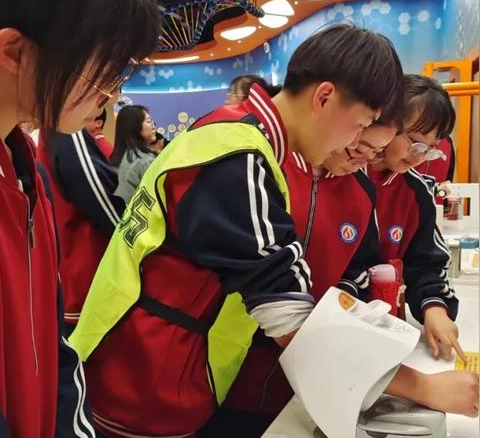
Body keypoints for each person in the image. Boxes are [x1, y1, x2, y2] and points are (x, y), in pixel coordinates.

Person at [70, 25, 478, 438]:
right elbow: (294, 323)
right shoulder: (239, 157)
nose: (357, 145)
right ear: (324, 98)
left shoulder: (234, 134)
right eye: (359, 127)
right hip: (146, 378)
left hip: (154, 365)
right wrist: (423, 386)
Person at [0, 0, 160, 435]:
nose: (109, 95)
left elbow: (55, 349)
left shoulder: (30, 179)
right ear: (13, 51)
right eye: (101, 73)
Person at [201, 120, 400, 437]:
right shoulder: (263, 169)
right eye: (359, 146)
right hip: (225, 367)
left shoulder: (362, 192)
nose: (364, 160)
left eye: (376, 152)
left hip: (306, 377)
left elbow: (359, 268)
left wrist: (337, 304)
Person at [367, 74, 465, 361]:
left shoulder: (417, 191)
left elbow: (425, 262)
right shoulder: (342, 175)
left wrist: (434, 307)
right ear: (385, 122)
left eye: (432, 149)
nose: (419, 156)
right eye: (416, 143)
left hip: (389, 328)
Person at [37, 109, 126, 329]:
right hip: (89, 270)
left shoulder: (49, 130)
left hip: (70, 271)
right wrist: (132, 240)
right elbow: (101, 197)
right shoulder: (67, 128)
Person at [110, 104, 158, 204]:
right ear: (135, 127)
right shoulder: (146, 161)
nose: (153, 126)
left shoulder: (116, 158)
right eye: (149, 121)